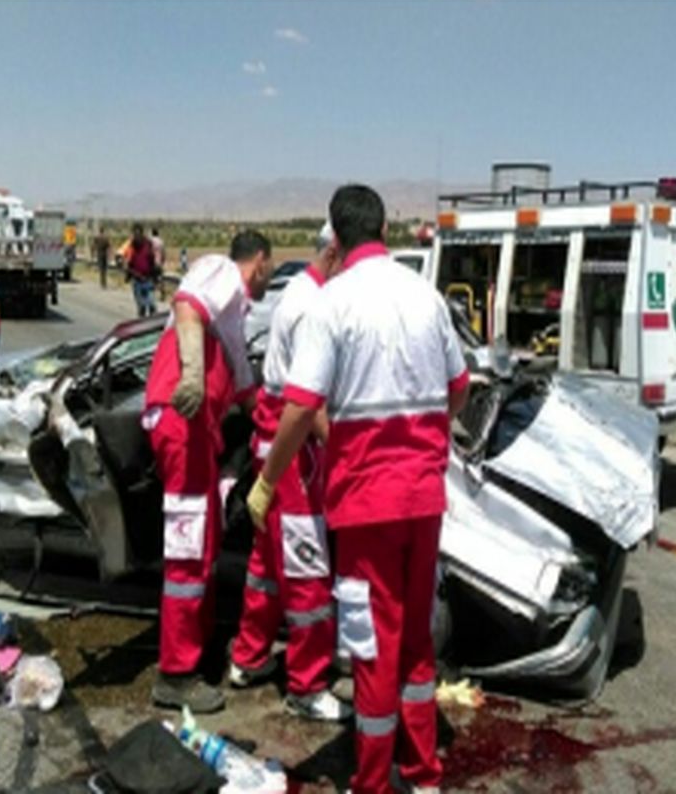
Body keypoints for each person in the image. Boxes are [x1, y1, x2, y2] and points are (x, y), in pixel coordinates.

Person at [248, 186, 469, 794]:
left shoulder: (332, 301)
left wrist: (268, 481)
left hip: (366, 504)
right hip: (424, 500)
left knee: (372, 647)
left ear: (336, 242)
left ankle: (372, 782)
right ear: (385, 229)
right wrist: (424, 435)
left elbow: (298, 409)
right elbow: (459, 386)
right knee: (416, 638)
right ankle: (423, 773)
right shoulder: (425, 296)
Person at [142, 230, 275, 712]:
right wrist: (194, 374)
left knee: (203, 545)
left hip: (199, 432)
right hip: (182, 420)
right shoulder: (220, 271)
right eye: (269, 267)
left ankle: (196, 650)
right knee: (188, 551)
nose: (268, 276)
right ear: (258, 261)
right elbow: (186, 306)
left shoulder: (235, 318)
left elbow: (247, 392)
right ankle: (175, 675)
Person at [229, 223, 350, 722]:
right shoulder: (310, 306)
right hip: (291, 450)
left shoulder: (303, 293)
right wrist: (346, 452)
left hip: (278, 445)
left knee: (267, 567)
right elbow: (307, 402)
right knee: (307, 574)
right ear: (335, 252)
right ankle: (306, 684)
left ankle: (249, 658)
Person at [126, 224, 158, 317]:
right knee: (141, 307)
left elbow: (152, 261)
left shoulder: (148, 244)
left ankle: (152, 322)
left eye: (138, 232)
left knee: (152, 305)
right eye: (135, 233)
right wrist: (128, 274)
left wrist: (155, 276)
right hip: (137, 279)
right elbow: (128, 261)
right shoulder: (131, 246)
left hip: (148, 278)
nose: (137, 235)